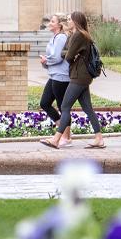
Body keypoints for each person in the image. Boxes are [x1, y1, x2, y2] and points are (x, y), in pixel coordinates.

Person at [58, 12, 105, 149]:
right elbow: (66, 53)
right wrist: (71, 52)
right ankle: (99, 139)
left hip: (79, 76)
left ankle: (57, 138)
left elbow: (67, 56)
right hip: (84, 76)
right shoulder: (82, 34)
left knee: (65, 107)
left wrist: (71, 54)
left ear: (76, 21)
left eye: (69, 19)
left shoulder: (78, 35)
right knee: (87, 108)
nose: (68, 22)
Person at [38, 13, 73, 149]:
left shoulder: (61, 38)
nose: (50, 23)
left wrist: (47, 60)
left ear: (59, 25)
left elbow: (57, 58)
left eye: (52, 21)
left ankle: (66, 137)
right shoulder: (54, 37)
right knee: (45, 103)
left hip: (62, 76)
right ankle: (64, 133)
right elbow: (52, 58)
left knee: (62, 107)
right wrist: (45, 62)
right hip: (54, 75)